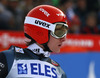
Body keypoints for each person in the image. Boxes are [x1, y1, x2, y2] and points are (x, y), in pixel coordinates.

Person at [0, 5, 68, 78]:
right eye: (59, 32)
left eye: (65, 31)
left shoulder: (59, 71)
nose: (63, 39)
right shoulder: (9, 58)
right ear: (41, 31)